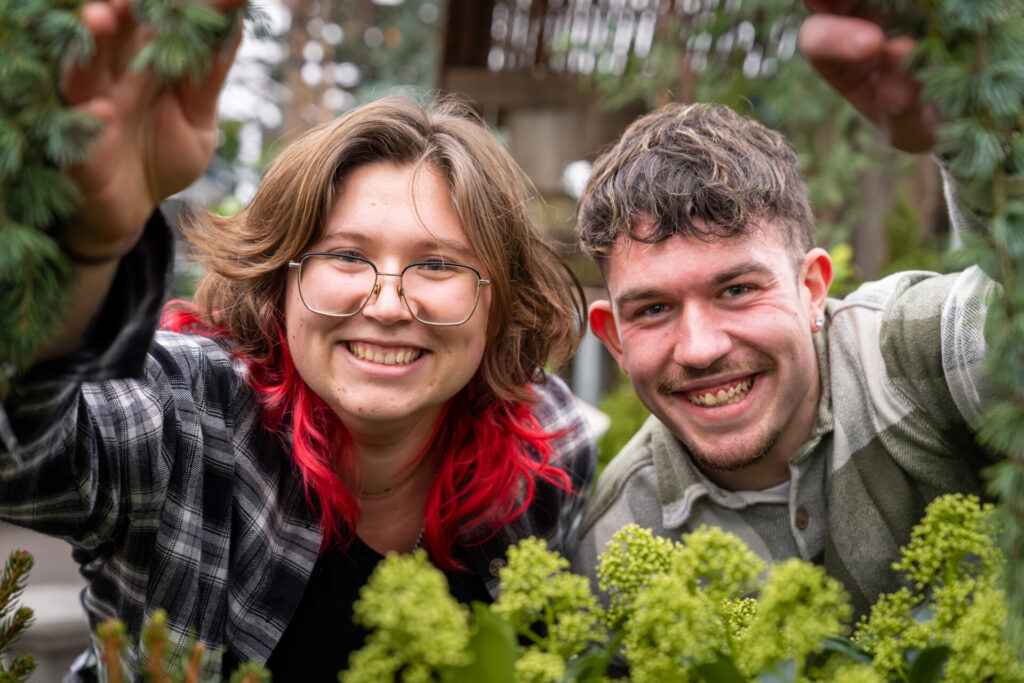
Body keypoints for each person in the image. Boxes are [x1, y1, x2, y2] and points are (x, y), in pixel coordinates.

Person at [0, 1, 596, 680]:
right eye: (346, 255)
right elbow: (23, 455)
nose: (389, 303)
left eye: (437, 264)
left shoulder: (548, 448)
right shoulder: (191, 419)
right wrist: (86, 242)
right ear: (278, 281)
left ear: (497, 298)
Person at [570, 0, 1011, 618]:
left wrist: (981, 128)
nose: (700, 348)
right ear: (613, 339)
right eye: (653, 309)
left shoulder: (910, 355)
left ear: (812, 289)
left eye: (737, 291)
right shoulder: (619, 540)